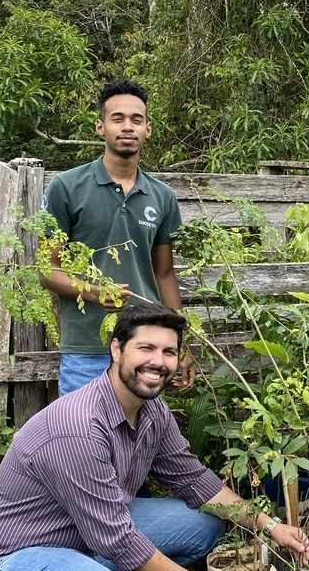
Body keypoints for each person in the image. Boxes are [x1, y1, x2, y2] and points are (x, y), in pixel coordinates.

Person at [0, 303, 309, 570]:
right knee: (117, 552)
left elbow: (195, 481)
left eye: (169, 352)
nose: (157, 362)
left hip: (89, 532)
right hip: (19, 551)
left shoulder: (153, 412)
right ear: (117, 350)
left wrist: (272, 527)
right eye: (146, 348)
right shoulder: (78, 428)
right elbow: (117, 539)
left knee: (204, 522)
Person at [41, 79, 192, 394]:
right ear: (100, 127)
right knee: (82, 436)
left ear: (147, 130)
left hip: (148, 346)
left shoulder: (162, 197)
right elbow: (47, 269)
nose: (128, 127)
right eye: (117, 118)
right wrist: (96, 292)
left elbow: (164, 273)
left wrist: (180, 342)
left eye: (136, 120)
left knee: (141, 439)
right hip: (87, 346)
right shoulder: (67, 187)